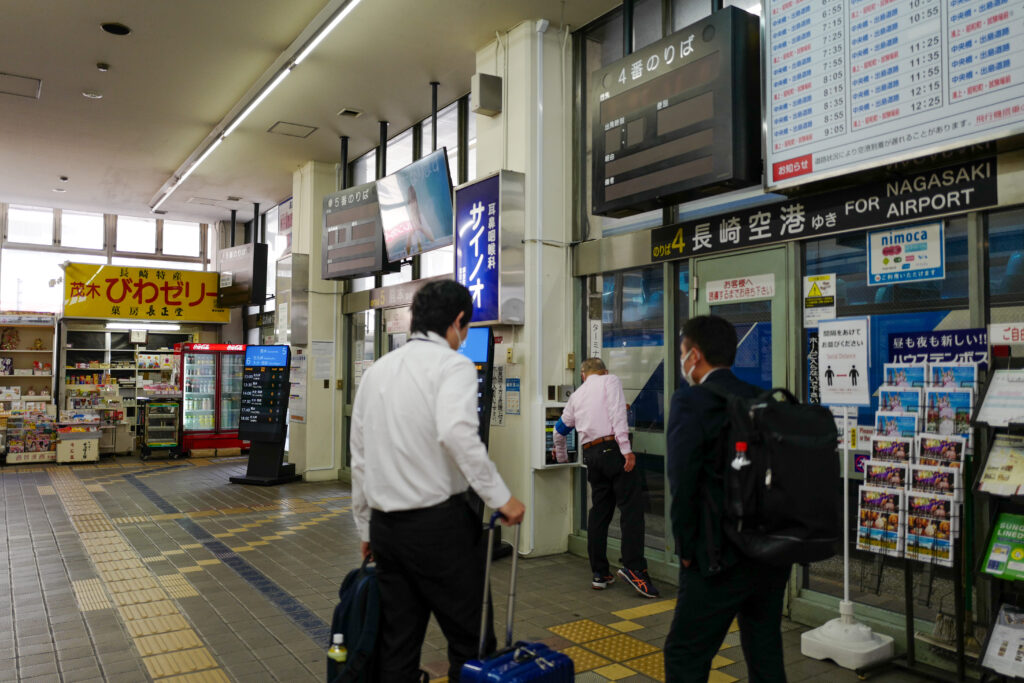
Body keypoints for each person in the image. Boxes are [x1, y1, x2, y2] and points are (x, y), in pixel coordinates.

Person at [350, 280, 526, 682]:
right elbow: (457, 433)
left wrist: (364, 527)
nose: (463, 338)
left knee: (397, 643)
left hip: (385, 528)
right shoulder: (454, 366)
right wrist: (501, 498)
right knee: (472, 640)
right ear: (457, 322)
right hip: (439, 530)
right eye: (465, 329)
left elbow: (359, 457)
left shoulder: (378, 371)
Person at [665, 315, 791, 682]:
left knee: (685, 653)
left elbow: (683, 481)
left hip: (717, 555)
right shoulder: (759, 398)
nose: (682, 359)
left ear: (695, 355)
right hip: (769, 553)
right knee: (764, 648)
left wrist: (686, 548)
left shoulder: (691, 401)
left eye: (683, 351)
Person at [553, 357, 659, 598]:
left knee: (600, 512)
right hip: (612, 451)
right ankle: (634, 569)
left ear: (583, 375)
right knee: (631, 510)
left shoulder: (576, 396)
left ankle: (600, 573)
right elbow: (615, 415)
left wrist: (560, 456)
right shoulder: (610, 381)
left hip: (591, 456)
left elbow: (559, 431)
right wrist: (626, 449)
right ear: (604, 371)